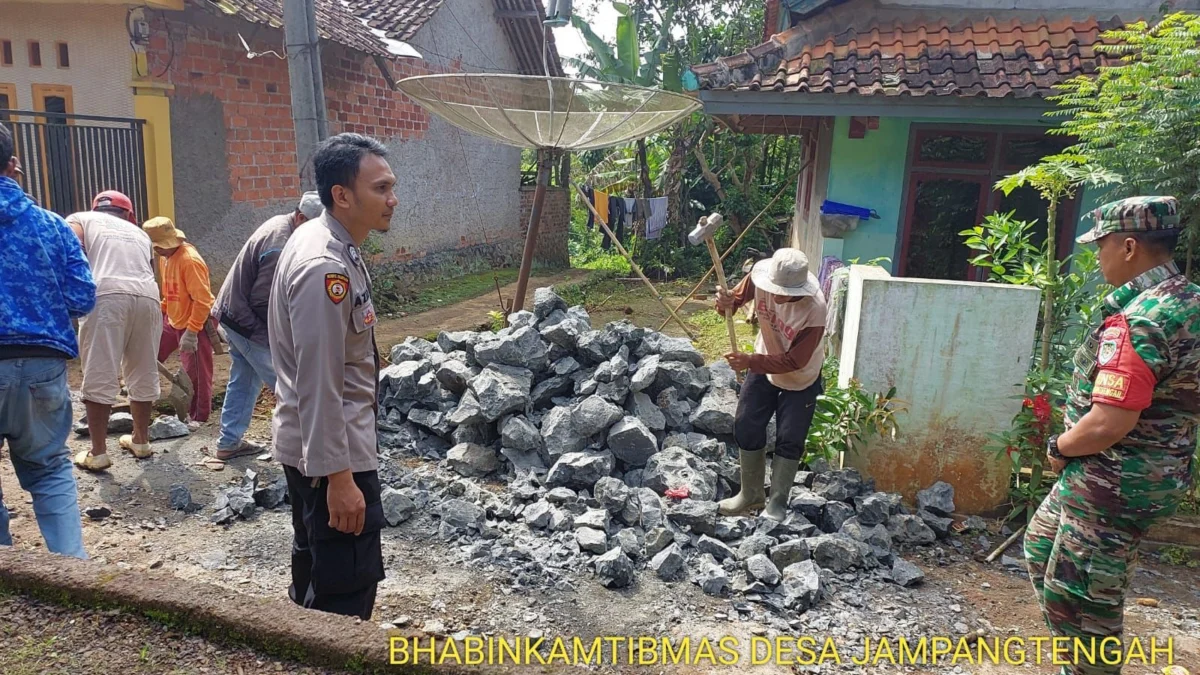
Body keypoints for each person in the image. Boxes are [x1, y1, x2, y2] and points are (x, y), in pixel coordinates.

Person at [1025, 196, 1200, 675]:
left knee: (1083, 601)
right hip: (1132, 474)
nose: (1095, 257)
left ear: (1128, 247)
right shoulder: (1189, 300)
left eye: (1099, 246)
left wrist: (1058, 448)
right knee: (1042, 549)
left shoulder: (1144, 318)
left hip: (1114, 483)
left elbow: (1109, 423)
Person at [269, 133, 395, 619]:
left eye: (391, 186)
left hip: (314, 448)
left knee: (316, 569)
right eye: (381, 188)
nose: (392, 198)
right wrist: (340, 478)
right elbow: (317, 381)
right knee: (345, 590)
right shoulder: (325, 266)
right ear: (342, 195)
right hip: (332, 453)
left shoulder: (328, 241)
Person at [0, 123, 95, 558]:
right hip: (42, 365)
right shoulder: (52, 227)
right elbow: (82, 295)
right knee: (49, 470)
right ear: (14, 165)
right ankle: (76, 575)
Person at [714, 247, 827, 521]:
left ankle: (777, 502)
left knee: (790, 438)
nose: (776, 296)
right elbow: (730, 305)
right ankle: (751, 494)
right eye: (774, 290)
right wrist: (724, 302)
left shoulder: (814, 309)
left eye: (785, 294)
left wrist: (750, 361)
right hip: (764, 365)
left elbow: (794, 362)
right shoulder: (760, 277)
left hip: (801, 379)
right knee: (746, 424)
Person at [211, 192, 323, 460]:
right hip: (245, 320)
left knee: (245, 380)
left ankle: (229, 442)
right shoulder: (280, 246)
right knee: (290, 385)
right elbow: (263, 301)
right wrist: (284, 338)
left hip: (233, 313)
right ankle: (309, 450)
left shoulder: (284, 226)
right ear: (300, 217)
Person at [68, 191, 163, 471]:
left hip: (105, 293)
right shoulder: (140, 234)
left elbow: (70, 246)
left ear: (96, 208)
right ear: (129, 214)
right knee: (144, 369)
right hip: (148, 295)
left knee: (100, 370)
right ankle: (141, 441)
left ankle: (97, 453)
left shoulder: (81, 219)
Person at [144, 216, 215, 424]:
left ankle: (198, 418)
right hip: (174, 318)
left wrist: (192, 332)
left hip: (196, 322)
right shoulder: (165, 258)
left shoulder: (189, 261)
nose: (157, 251)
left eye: (159, 247)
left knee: (196, 376)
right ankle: (139, 396)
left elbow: (202, 301)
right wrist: (158, 312)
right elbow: (170, 294)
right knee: (149, 353)